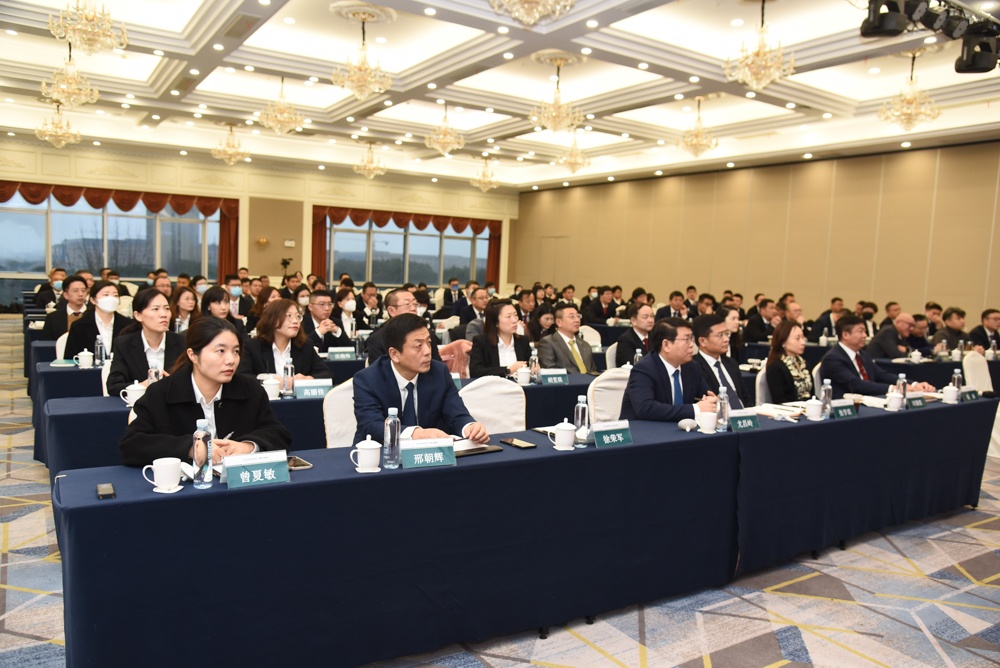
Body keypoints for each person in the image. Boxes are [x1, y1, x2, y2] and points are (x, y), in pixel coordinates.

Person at [119, 317, 292, 467]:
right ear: (193, 355)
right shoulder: (162, 392)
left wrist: (248, 446)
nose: (231, 360)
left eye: (236, 351)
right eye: (220, 351)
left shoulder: (250, 390)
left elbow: (278, 434)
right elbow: (132, 445)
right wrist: (190, 448)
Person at [352, 313, 489, 445]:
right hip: (381, 454)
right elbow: (372, 425)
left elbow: (456, 414)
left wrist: (469, 427)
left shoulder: (439, 372)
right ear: (394, 354)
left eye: (428, 343)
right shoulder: (367, 379)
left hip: (428, 455)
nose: (428, 351)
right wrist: (416, 434)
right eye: (418, 346)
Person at [620, 317, 717, 422]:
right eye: (686, 339)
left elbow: (706, 395)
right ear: (666, 345)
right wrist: (694, 409)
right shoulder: (644, 369)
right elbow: (645, 408)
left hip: (681, 429)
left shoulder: (691, 367)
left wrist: (711, 401)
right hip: (643, 429)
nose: (691, 345)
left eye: (691, 338)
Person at [819, 314, 934, 399]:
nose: (865, 336)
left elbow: (881, 375)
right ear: (845, 335)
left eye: (865, 331)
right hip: (847, 405)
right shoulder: (833, 358)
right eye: (860, 331)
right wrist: (893, 389)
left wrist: (913, 384)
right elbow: (856, 384)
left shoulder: (862, 354)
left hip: (868, 399)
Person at [106, 289, 184, 396]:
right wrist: (141, 386)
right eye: (155, 309)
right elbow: (113, 386)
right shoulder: (124, 344)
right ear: (138, 315)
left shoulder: (182, 342)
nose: (163, 314)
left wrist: (174, 384)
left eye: (167, 308)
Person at [244, 299, 331, 379]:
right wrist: (269, 381)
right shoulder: (253, 346)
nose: (295, 321)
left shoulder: (305, 346)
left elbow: (327, 374)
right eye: (289, 316)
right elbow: (243, 376)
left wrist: (307, 379)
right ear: (273, 319)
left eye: (298, 316)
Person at [366, 289, 442, 365]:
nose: (413, 308)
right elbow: (378, 371)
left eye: (415, 304)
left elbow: (437, 366)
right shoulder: (377, 340)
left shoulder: (427, 334)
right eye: (407, 304)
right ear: (391, 311)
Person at [691, 314, 752, 410]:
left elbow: (746, 397)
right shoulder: (693, 368)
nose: (726, 339)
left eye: (727, 334)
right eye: (720, 335)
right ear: (703, 341)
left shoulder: (731, 363)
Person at [64, 280, 130, 360]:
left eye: (115, 295)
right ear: (93, 300)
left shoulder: (128, 325)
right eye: (106, 295)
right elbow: (70, 358)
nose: (111, 299)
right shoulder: (79, 326)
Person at [469, 299, 532, 378]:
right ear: (496, 322)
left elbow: (529, 365)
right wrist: (508, 370)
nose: (514, 320)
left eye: (515, 315)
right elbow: (476, 371)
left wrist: (534, 368)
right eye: (508, 316)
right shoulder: (481, 342)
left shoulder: (523, 341)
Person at [536, 303, 597, 374]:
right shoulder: (548, 343)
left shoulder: (585, 345)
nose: (577, 320)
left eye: (578, 316)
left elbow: (593, 371)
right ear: (559, 322)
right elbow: (550, 371)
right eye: (572, 317)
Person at [765, 321, 813, 404]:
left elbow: (812, 395)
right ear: (783, 342)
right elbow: (780, 401)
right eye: (797, 338)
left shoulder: (804, 364)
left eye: (803, 337)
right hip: (790, 410)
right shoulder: (775, 367)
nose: (803, 342)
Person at [41, 275, 89, 341]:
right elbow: (47, 344)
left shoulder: (95, 315)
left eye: (83, 291)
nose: (80, 294)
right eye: (75, 291)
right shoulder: (52, 318)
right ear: (66, 295)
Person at [615, 302, 654, 367]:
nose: (650, 320)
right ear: (633, 321)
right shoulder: (626, 340)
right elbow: (632, 366)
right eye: (645, 317)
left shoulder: (655, 336)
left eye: (652, 316)